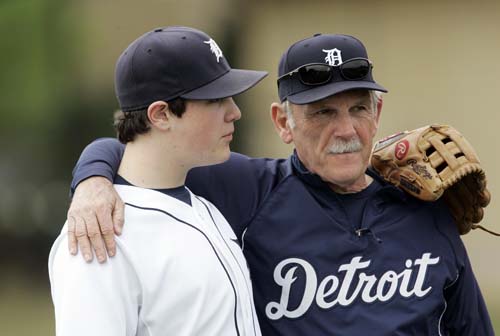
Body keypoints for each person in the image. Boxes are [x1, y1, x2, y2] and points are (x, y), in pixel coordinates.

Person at [66, 33, 494, 335]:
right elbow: (140, 147)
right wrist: (92, 181)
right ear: (283, 122)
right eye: (322, 112)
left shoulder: (426, 205)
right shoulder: (246, 188)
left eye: (358, 108)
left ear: (378, 113)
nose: (345, 129)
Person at [49, 26, 267, 336]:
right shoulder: (100, 234)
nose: (235, 112)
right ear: (161, 114)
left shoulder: (205, 205)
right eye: (215, 100)